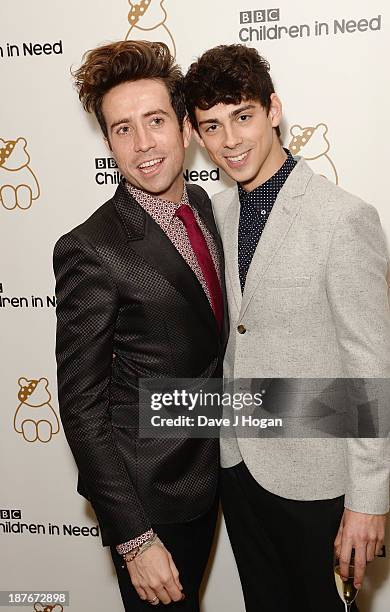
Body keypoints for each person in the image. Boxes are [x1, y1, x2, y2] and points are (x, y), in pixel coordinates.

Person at [184, 44, 390, 612]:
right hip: (237, 468)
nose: (230, 141)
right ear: (198, 135)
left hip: (319, 478)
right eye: (212, 126)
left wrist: (368, 499)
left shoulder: (342, 217)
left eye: (242, 116)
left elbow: (370, 366)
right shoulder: (212, 216)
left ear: (273, 109)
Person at [54, 40, 227, 611]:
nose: (143, 143)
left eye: (155, 120)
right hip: (151, 502)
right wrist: (134, 539)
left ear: (185, 127)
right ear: (108, 143)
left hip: (216, 474)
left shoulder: (203, 206)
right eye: (122, 129)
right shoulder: (91, 248)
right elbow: (82, 408)